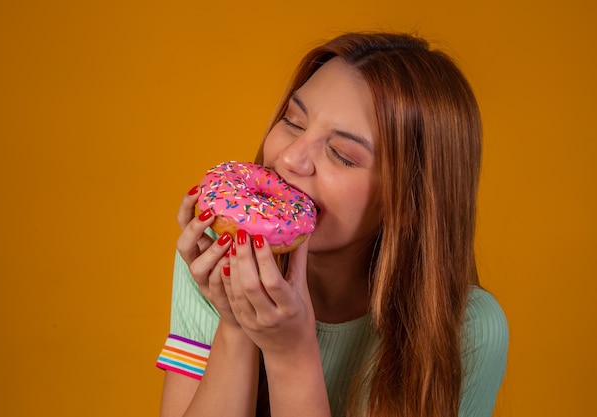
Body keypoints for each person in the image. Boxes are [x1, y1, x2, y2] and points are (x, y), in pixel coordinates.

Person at [157, 32, 509, 417]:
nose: (291, 158)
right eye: (293, 121)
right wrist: (237, 324)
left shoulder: (467, 328)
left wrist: (292, 356)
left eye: (342, 155)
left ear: (410, 203)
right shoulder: (213, 261)